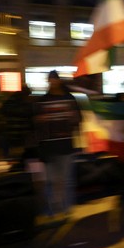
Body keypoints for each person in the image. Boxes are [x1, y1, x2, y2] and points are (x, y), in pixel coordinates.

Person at [34, 70, 81, 219]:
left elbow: (78, 120)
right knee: (50, 180)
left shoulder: (69, 99)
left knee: (66, 179)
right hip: (49, 147)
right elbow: (37, 123)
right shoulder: (42, 100)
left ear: (59, 81)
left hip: (65, 145)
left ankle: (65, 208)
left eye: (54, 79)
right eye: (50, 80)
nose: (52, 82)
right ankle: (53, 210)